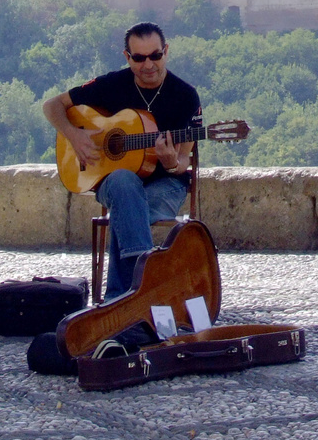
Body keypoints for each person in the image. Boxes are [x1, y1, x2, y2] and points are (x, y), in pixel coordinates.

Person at [43, 22, 201, 300]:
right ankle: (143, 292)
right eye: (139, 58)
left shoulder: (185, 96)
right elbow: (52, 105)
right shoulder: (111, 85)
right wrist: (73, 135)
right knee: (123, 182)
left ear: (166, 52)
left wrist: (169, 162)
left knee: (126, 211)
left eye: (155, 55)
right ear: (127, 57)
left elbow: (182, 161)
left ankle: (120, 299)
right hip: (110, 181)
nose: (148, 64)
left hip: (165, 185)